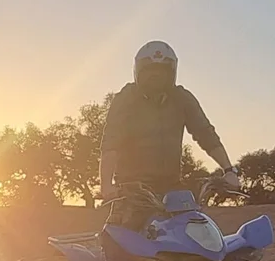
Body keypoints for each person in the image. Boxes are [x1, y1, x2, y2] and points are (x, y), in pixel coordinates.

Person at [97, 41, 240, 225]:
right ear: (138, 72)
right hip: (131, 190)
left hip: (173, 189)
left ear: (172, 73)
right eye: (150, 70)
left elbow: (205, 134)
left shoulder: (182, 98)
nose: (156, 75)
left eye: (162, 70)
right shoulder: (125, 99)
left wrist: (229, 170)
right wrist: (107, 185)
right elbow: (111, 142)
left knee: (195, 237)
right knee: (120, 241)